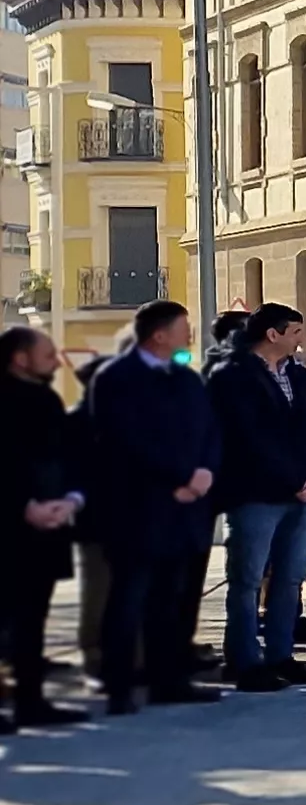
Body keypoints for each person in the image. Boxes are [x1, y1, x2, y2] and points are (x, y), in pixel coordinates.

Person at [83, 301, 224, 712]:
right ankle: (120, 686)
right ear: (159, 334)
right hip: (138, 508)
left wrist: (204, 473)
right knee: (129, 599)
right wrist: (180, 477)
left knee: (172, 600)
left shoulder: (184, 378)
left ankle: (169, 680)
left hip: (186, 509)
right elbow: (125, 440)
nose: (190, 335)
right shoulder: (117, 378)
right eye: (184, 327)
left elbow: (210, 431)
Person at [208, 302, 306, 693]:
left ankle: (281, 655)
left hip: (303, 495)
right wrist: (293, 477)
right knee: (246, 578)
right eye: (295, 331)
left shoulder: (299, 375)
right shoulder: (232, 376)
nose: (301, 339)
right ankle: (245, 661)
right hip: (256, 492)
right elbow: (249, 437)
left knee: (290, 577)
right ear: (273, 334)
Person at [0, 329, 82, 729]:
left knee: (33, 619)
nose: (57, 360)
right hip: (9, 528)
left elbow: (64, 457)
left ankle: (31, 701)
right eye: (48, 353)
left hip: (48, 526)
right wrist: (24, 506)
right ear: (20, 358)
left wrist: (68, 501)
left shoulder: (48, 400)